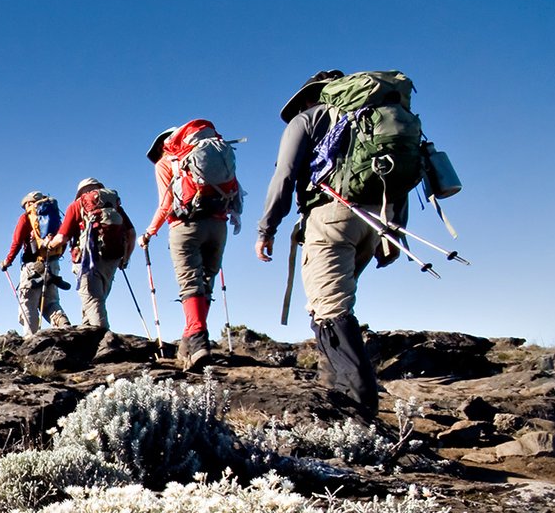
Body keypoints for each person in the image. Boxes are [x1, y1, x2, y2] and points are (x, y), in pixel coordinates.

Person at [255, 69, 384, 415]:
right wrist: (392, 232)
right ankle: (336, 384)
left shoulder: (307, 120)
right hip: (375, 220)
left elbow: (285, 175)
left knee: (330, 310)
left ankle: (359, 405)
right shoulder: (369, 118)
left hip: (330, 218)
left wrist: (267, 228)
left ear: (308, 97)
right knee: (338, 302)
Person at [142, 120, 243, 371]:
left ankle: (198, 341)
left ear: (164, 145)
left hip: (185, 226)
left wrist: (149, 232)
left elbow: (165, 204)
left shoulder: (166, 163)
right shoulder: (211, 152)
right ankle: (189, 341)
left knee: (190, 283)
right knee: (206, 281)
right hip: (218, 225)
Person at [46, 178, 135, 329]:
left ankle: (104, 339)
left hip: (87, 261)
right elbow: (131, 233)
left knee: (93, 302)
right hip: (112, 259)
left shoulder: (77, 205)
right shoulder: (114, 206)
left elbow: (62, 238)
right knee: (93, 302)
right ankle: (89, 337)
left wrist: (49, 244)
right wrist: (125, 259)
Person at [0, 191, 71, 333]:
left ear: (28, 203)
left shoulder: (26, 217)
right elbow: (63, 239)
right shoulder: (54, 216)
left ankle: (31, 338)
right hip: (53, 264)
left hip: (32, 267)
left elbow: (17, 242)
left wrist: (7, 261)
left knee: (28, 304)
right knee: (50, 302)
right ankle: (64, 326)